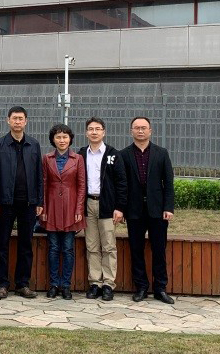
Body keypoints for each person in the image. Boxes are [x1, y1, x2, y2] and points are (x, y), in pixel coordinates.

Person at [120, 116, 175, 304]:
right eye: (137, 128)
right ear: (131, 131)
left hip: (157, 210)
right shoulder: (124, 154)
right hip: (134, 210)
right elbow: (122, 184)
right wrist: (122, 208)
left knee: (159, 249)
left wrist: (168, 207)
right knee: (136, 250)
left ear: (150, 130)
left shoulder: (161, 153)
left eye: (144, 127)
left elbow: (168, 183)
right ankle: (141, 287)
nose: (140, 131)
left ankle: (160, 288)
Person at [0, 106, 43, 299]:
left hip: (28, 203)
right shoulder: (0, 144)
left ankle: (23, 284)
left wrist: (39, 201)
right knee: (2, 244)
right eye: (14, 118)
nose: (17, 122)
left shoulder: (34, 145)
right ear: (8, 120)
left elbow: (39, 175)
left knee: (26, 244)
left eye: (21, 118)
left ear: (26, 121)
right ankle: (2, 284)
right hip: (6, 202)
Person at [77, 117, 126, 301]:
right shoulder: (81, 154)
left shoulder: (113, 154)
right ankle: (95, 283)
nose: (94, 132)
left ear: (104, 132)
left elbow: (122, 183)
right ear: (86, 133)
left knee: (109, 246)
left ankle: (108, 284)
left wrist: (119, 207)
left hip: (107, 205)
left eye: (98, 129)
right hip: (88, 204)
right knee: (92, 246)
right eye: (91, 129)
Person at [40, 123, 85, 300]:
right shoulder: (46, 158)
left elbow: (81, 185)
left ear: (70, 139)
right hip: (51, 206)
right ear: (53, 139)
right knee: (53, 248)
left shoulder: (78, 159)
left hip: (71, 206)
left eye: (65, 137)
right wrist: (43, 207)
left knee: (67, 248)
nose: (62, 140)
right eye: (58, 137)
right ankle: (53, 284)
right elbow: (43, 184)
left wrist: (79, 208)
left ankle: (65, 285)